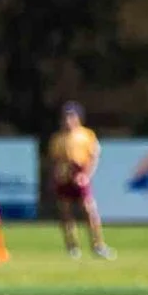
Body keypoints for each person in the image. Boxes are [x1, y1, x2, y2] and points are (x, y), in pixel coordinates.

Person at [47, 104, 114, 262]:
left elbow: (93, 156)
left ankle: (98, 245)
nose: (68, 120)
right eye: (65, 117)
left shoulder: (87, 135)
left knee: (89, 210)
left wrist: (86, 175)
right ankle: (72, 246)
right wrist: (56, 174)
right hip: (64, 176)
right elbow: (55, 160)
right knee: (66, 212)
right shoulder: (58, 138)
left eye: (71, 117)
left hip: (80, 174)